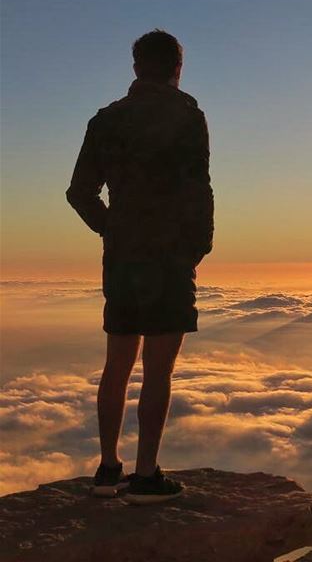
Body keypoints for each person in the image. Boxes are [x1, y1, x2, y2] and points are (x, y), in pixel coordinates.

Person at [66, 29, 214, 504]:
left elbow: (79, 192)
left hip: (123, 256)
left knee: (117, 364)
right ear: (177, 68)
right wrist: (197, 246)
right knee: (158, 370)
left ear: (135, 68)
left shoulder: (106, 119)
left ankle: (109, 470)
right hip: (169, 257)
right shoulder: (187, 116)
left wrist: (112, 229)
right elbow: (198, 187)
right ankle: (147, 476)